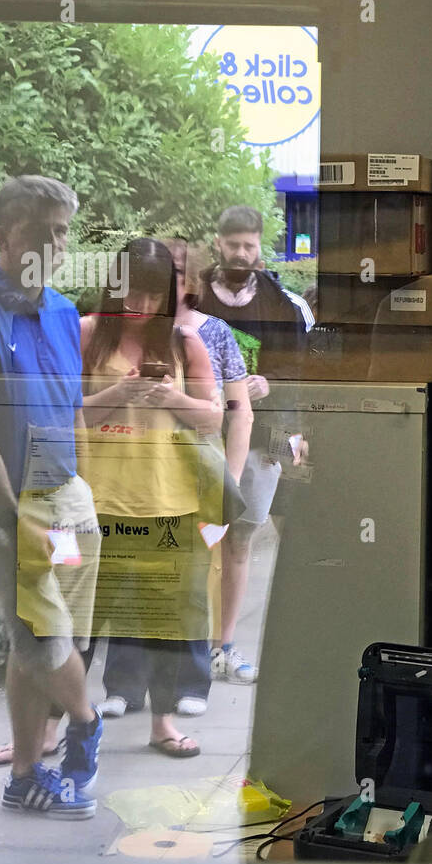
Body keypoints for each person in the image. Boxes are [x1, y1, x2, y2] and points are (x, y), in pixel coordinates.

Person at [0, 175, 102, 818]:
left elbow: (72, 405)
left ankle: (25, 775)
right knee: (45, 638)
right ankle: (87, 725)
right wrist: (10, 517)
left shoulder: (59, 310)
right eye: (42, 230)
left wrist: (85, 491)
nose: (56, 243)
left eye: (62, 231)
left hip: (70, 505)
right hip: (13, 508)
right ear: (3, 233)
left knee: (43, 646)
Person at [78, 238, 223, 757]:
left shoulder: (185, 343)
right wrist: (118, 393)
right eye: (130, 292)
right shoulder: (89, 333)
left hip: (169, 500)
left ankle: (162, 724)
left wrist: (171, 397)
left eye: (151, 295)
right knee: (78, 623)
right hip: (95, 500)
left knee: (163, 620)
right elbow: (67, 412)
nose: (139, 305)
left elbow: (213, 417)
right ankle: (55, 726)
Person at [193, 206, 310, 684]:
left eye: (249, 245)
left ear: (260, 247)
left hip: (260, 441)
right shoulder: (192, 296)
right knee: (192, 543)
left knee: (239, 541)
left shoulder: (285, 305)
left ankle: (225, 648)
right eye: (233, 243)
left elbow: (303, 373)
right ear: (218, 243)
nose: (241, 253)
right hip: (194, 440)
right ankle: (189, 651)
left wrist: (270, 386)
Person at [165, 239, 253, 715]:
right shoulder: (136, 331)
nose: (170, 281)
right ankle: (145, 681)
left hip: (203, 476)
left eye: (178, 272)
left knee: (206, 569)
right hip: (149, 478)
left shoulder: (216, 333)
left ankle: (208, 663)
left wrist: (229, 480)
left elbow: (240, 413)